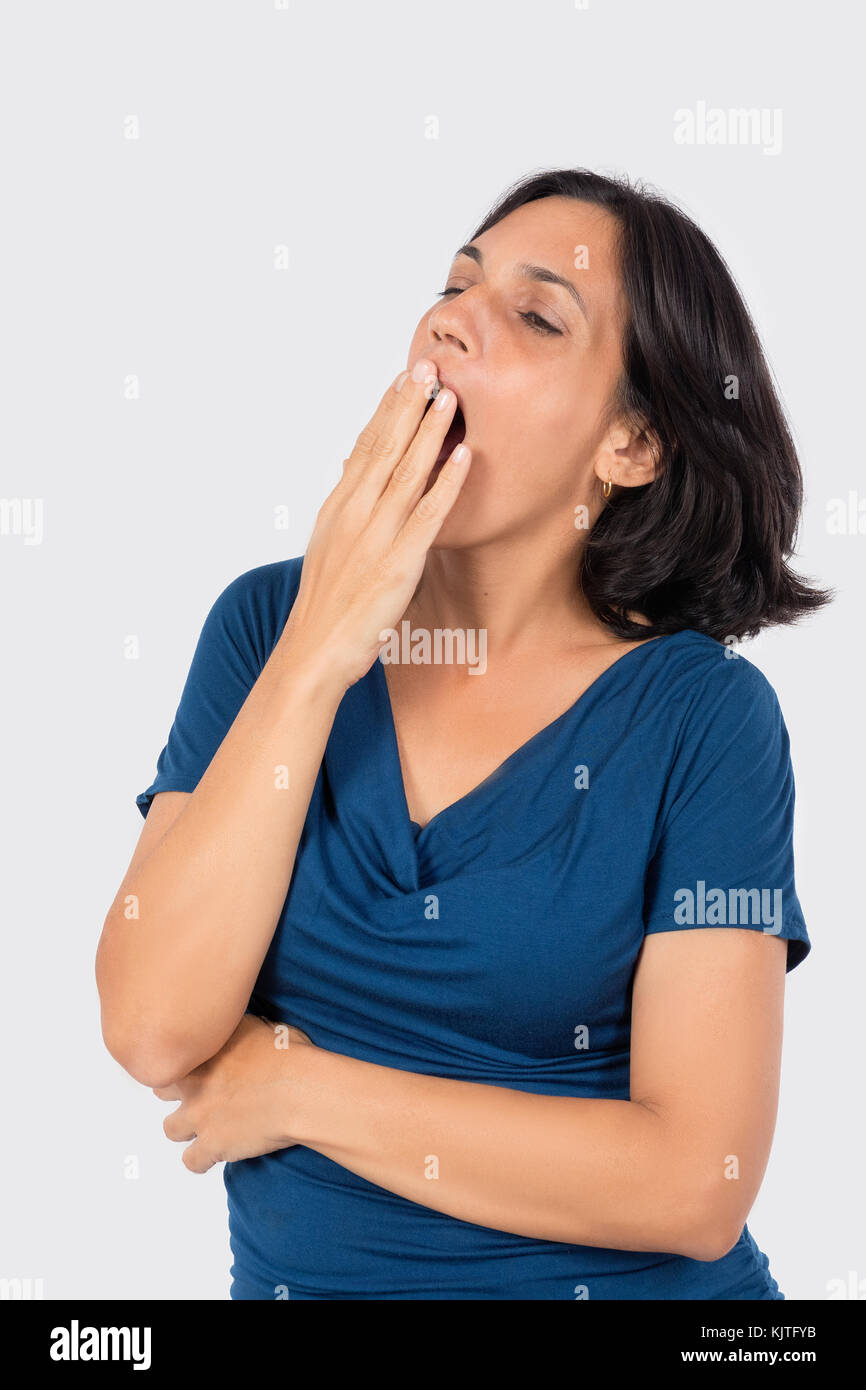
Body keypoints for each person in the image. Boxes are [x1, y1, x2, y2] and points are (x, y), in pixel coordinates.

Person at [96, 168, 827, 1300]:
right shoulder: (261, 630)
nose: (450, 319)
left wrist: (295, 1086)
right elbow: (152, 1027)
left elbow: (696, 1181)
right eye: (452, 285)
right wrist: (318, 647)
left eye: (536, 315)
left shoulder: (702, 720)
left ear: (629, 445)